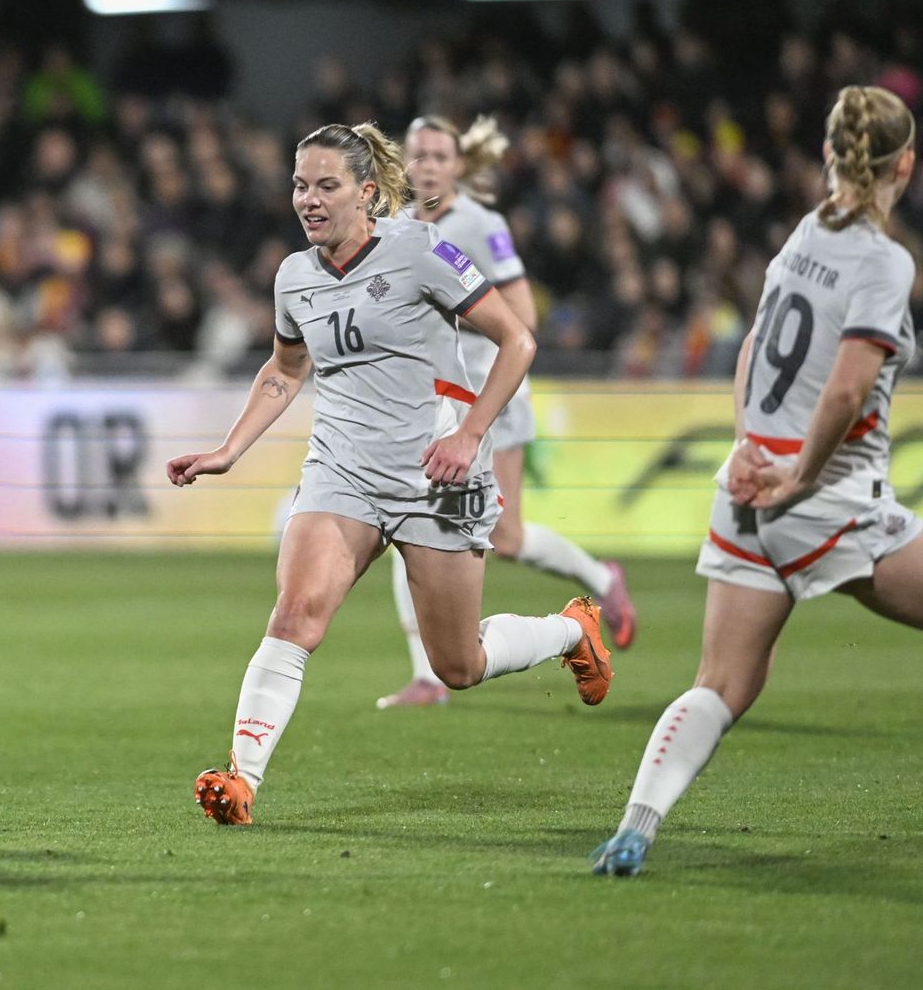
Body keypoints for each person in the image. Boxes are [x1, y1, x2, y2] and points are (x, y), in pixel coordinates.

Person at [169, 123, 615, 826]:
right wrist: (230, 449)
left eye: (326, 186)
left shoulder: (422, 251)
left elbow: (518, 339)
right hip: (342, 472)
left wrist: (471, 433)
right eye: (299, 185)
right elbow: (286, 370)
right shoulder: (294, 276)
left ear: (367, 192)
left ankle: (570, 631)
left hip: (436, 475)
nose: (307, 200)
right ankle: (241, 777)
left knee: (457, 666)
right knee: (294, 614)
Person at [592, 86, 917, 876]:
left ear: (829, 158)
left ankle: (636, 826)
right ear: (905, 165)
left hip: (744, 489)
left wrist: (745, 444)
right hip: (825, 494)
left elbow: (751, 348)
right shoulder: (882, 261)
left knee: (721, 682)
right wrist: (800, 475)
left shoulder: (803, 235)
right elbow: (844, 391)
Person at [378, 115, 638, 709]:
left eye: (439, 156)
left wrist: (446, 305)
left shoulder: (481, 224)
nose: (427, 167)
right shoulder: (395, 228)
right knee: (406, 524)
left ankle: (600, 583)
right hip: (431, 404)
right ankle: (425, 675)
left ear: (460, 165)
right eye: (417, 155)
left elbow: (522, 315)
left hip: (492, 397)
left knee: (508, 537)